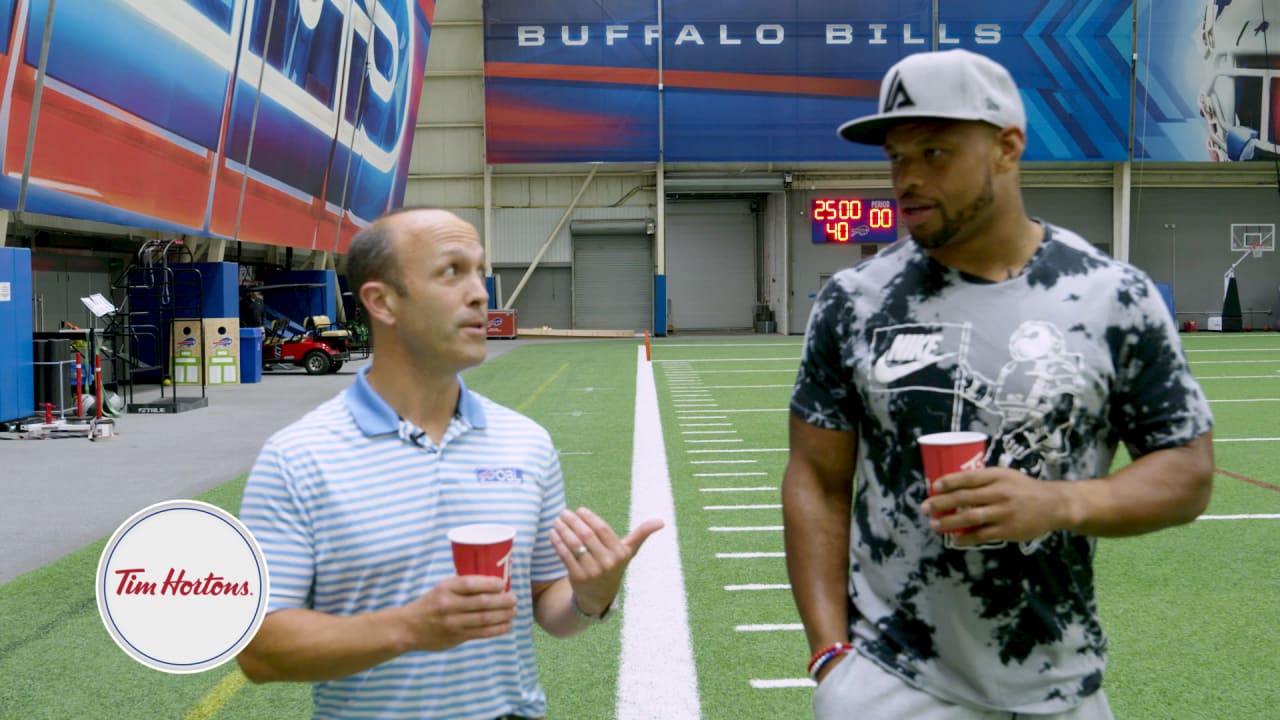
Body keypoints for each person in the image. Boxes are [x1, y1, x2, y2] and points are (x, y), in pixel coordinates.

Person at [782, 49, 1214, 719]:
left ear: (1007, 148)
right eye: (897, 156)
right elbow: (815, 478)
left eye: (935, 151)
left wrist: (1060, 504)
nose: (908, 179)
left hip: (1061, 686)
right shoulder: (853, 302)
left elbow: (1187, 469)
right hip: (893, 683)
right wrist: (828, 656)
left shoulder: (1111, 298)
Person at [236, 207, 663, 719]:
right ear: (382, 301)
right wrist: (410, 628)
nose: (481, 293)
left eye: (479, 271)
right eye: (451, 271)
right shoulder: (298, 458)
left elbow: (548, 603)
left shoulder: (525, 442)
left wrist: (590, 596)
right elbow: (258, 648)